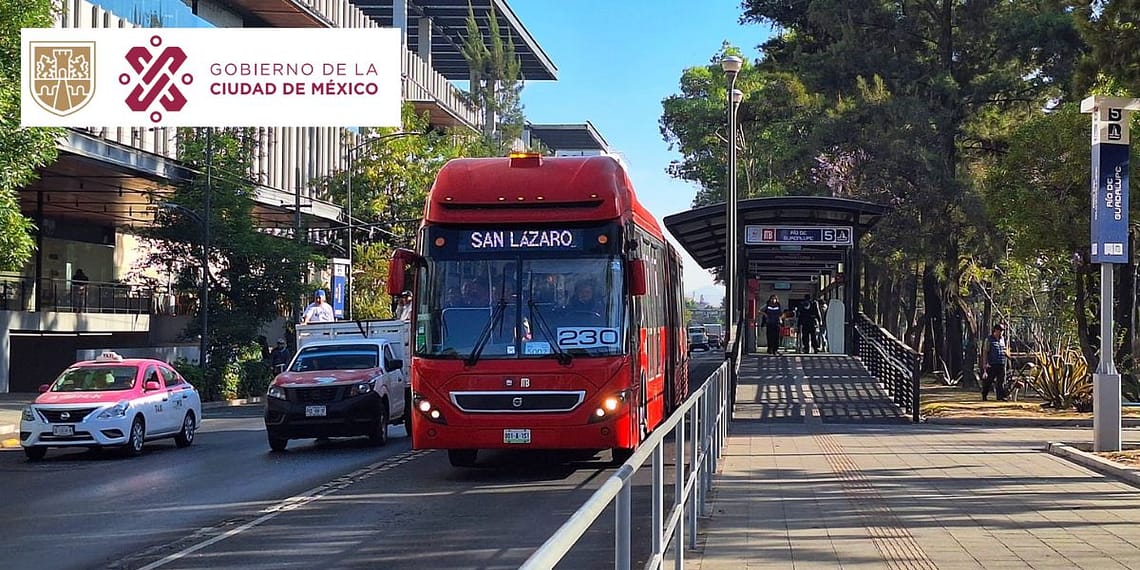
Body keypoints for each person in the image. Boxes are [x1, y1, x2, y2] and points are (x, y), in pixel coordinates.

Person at [980, 323, 1009, 401]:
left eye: (1003, 330)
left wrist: (1008, 356)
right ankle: (984, 394)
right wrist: (985, 364)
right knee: (988, 381)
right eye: (1000, 330)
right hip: (992, 364)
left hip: (1001, 363)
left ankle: (1000, 397)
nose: (1002, 332)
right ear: (996, 330)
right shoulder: (989, 339)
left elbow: (1004, 350)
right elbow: (985, 352)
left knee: (1001, 381)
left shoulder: (1002, 339)